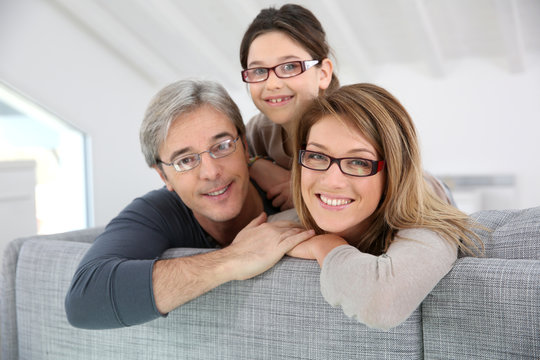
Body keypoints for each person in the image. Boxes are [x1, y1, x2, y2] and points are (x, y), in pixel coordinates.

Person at [65, 79, 314, 329]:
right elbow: (84, 301)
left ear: (245, 147)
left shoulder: (291, 184)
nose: (211, 172)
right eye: (184, 161)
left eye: (222, 146)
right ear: (164, 176)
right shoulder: (158, 211)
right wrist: (233, 258)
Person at [287, 83, 482, 330]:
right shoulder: (285, 221)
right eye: (316, 156)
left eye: (358, 161)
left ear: (392, 173)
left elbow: (381, 303)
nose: (331, 181)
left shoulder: (429, 224)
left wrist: (327, 245)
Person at [239, 4, 452, 210]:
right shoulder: (260, 129)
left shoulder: (352, 119)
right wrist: (255, 164)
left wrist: (303, 189)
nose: (272, 83)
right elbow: (229, 157)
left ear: (323, 73)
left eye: (290, 66)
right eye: (258, 71)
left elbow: (412, 185)